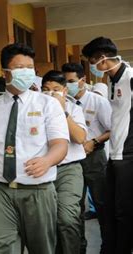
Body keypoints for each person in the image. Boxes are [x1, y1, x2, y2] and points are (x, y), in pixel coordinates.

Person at [0, 43, 69, 253]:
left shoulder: (47, 104)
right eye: (20, 67)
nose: (26, 72)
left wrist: (47, 160)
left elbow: (60, 144)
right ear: (5, 72)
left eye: (30, 67)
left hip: (38, 191)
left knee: (42, 248)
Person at [82, 36, 133, 254]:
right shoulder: (111, 80)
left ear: (103, 58)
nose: (92, 66)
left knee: (124, 210)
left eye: (92, 61)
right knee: (112, 209)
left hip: (128, 155)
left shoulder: (130, 78)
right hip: (115, 153)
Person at [61, 62, 112, 253]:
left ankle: (108, 245)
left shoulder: (98, 102)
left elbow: (112, 129)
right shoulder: (62, 102)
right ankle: (78, 247)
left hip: (94, 158)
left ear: (83, 80)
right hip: (71, 160)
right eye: (65, 81)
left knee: (101, 204)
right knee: (73, 209)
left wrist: (94, 142)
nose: (68, 85)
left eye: (72, 81)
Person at [41, 70, 87, 254]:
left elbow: (80, 137)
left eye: (56, 89)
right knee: (46, 222)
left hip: (69, 170)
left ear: (65, 91)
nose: (51, 93)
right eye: (46, 89)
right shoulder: (34, 108)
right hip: (43, 170)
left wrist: (63, 111)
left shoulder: (73, 108)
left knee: (66, 218)